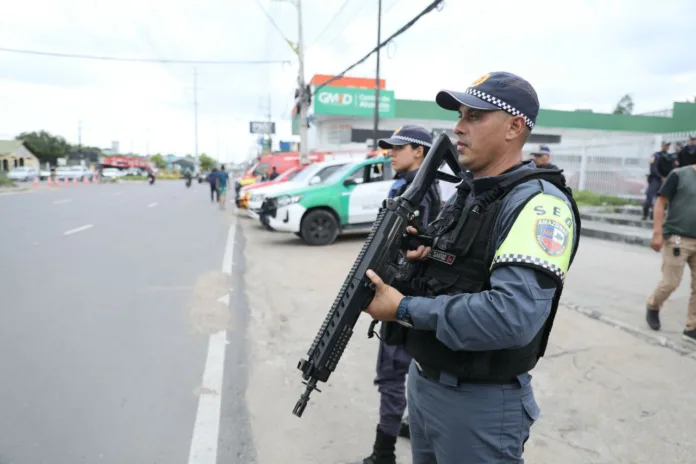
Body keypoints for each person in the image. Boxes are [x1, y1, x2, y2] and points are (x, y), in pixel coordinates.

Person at [362, 71, 581, 463]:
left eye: (474, 117)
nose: (458, 128)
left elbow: (512, 316)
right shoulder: (471, 192)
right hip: (426, 382)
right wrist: (425, 256)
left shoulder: (539, 204)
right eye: (460, 115)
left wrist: (403, 308)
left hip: (478, 401)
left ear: (514, 126)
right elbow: (463, 268)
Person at [357, 125, 443, 464]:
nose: (390, 153)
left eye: (399, 148)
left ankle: (383, 453)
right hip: (406, 296)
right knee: (411, 372)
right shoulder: (416, 189)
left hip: (401, 298)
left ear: (420, 152)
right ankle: (406, 424)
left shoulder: (419, 193)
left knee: (393, 375)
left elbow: (407, 251)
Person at [645, 162, 696, 343]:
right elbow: (660, 202)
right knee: (670, 282)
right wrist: (657, 233)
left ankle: (692, 327)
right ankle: (653, 304)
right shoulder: (679, 175)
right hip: (677, 238)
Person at [643, 141, 673, 220]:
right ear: (662, 145)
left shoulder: (670, 157)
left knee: (660, 200)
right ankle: (645, 214)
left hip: (665, 180)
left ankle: (653, 216)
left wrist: (667, 178)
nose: (666, 147)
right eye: (665, 145)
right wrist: (660, 177)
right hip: (655, 179)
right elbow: (653, 168)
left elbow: (672, 169)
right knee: (649, 198)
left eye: (668, 145)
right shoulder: (655, 155)